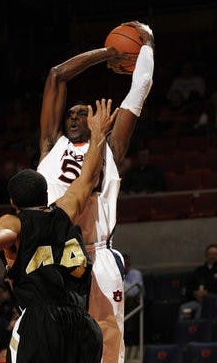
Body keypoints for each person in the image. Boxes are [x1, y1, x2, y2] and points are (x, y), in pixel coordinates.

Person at [0, 99, 116, 363]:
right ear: (46, 194)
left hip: (41, 324)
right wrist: (97, 134)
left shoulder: (14, 223)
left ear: (14, 203)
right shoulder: (66, 209)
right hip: (82, 323)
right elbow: (86, 178)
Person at [37, 20, 154, 362]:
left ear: (93, 119)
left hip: (97, 252)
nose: (73, 117)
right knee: (48, 340)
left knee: (107, 341)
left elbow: (141, 85)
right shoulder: (49, 146)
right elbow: (57, 75)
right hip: (54, 251)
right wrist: (107, 53)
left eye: (82, 113)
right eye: (70, 114)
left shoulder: (109, 147)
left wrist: (145, 46)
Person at [179, 243, 217, 320]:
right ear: (206, 255)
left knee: (202, 310)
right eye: (210, 254)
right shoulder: (199, 271)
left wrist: (208, 294)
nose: (212, 256)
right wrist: (194, 293)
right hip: (198, 301)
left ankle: (200, 330)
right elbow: (188, 287)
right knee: (184, 308)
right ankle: (183, 331)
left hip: (214, 302)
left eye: (215, 254)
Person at [123, 253, 144, 346]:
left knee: (130, 302)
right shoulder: (114, 275)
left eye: (126, 264)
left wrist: (121, 281)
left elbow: (133, 292)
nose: (124, 266)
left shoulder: (135, 273)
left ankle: (130, 338)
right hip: (122, 302)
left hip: (137, 302)